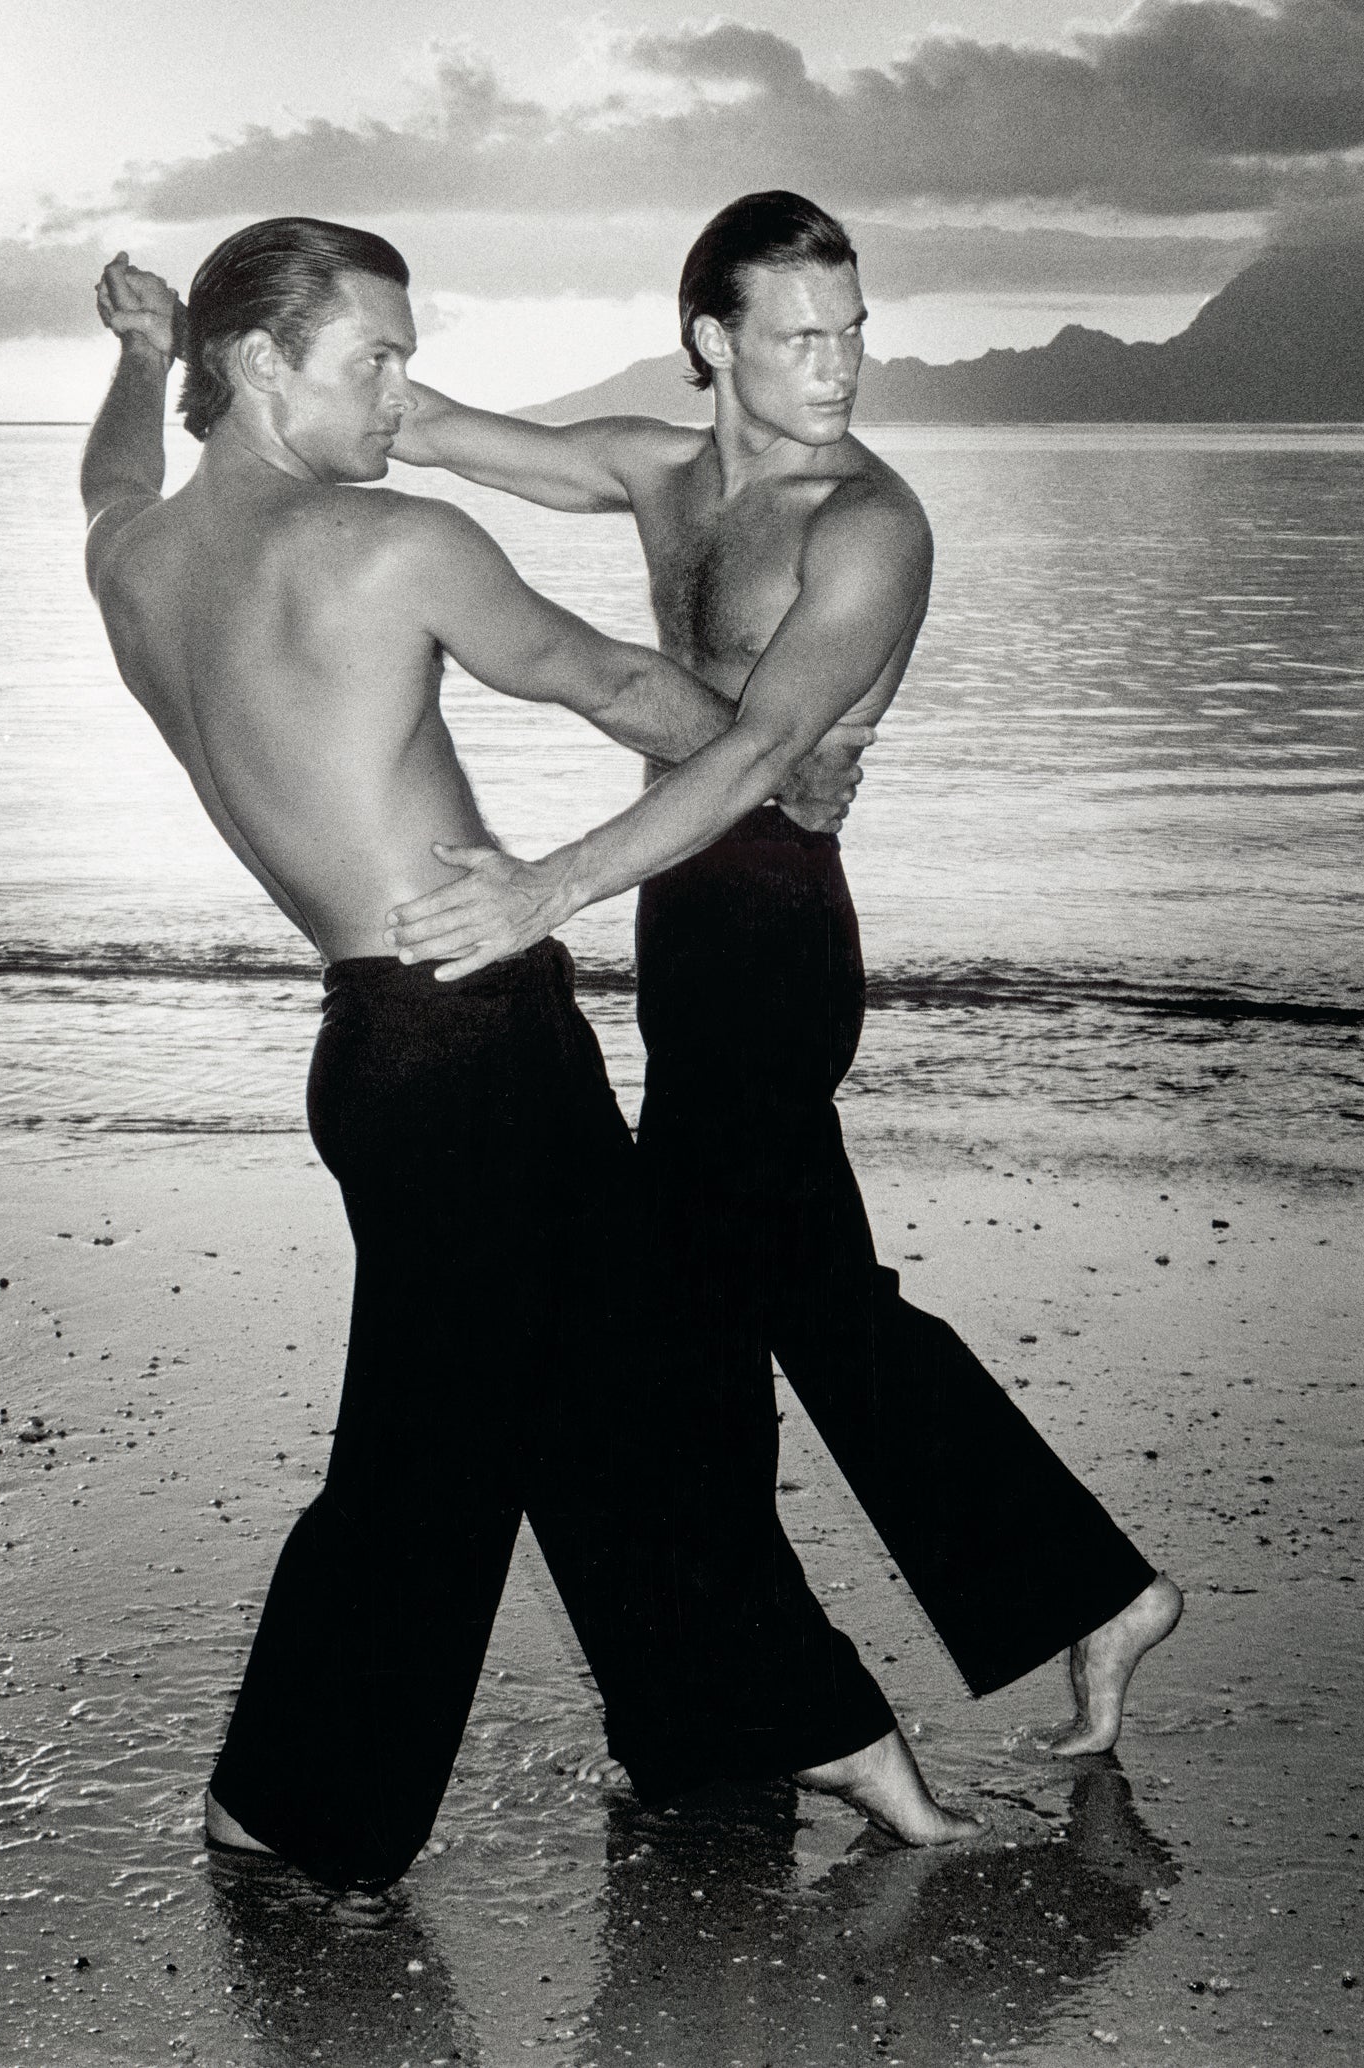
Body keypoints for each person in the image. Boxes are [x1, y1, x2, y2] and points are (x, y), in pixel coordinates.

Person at [80, 218, 974, 1894]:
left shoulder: (134, 559)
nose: (403, 394)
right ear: (266, 366)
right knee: (454, 1445)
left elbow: (109, 481)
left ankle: (746, 1723)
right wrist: (777, 771)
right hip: (476, 1046)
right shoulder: (389, 544)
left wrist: (137, 369)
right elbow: (616, 681)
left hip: (381, 1046)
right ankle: (302, 1801)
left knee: (591, 1397)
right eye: (377, 361)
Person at [380, 190, 1184, 1756]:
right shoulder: (658, 471)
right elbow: (435, 426)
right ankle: (1058, 1600)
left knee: (718, 1307)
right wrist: (196, 362)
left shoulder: (866, 521)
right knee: (786, 1296)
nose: (843, 365)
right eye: (805, 335)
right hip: (689, 926)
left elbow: (761, 752)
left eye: (857, 330)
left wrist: (549, 885)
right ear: (714, 340)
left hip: (776, 934)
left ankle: (766, 1684)